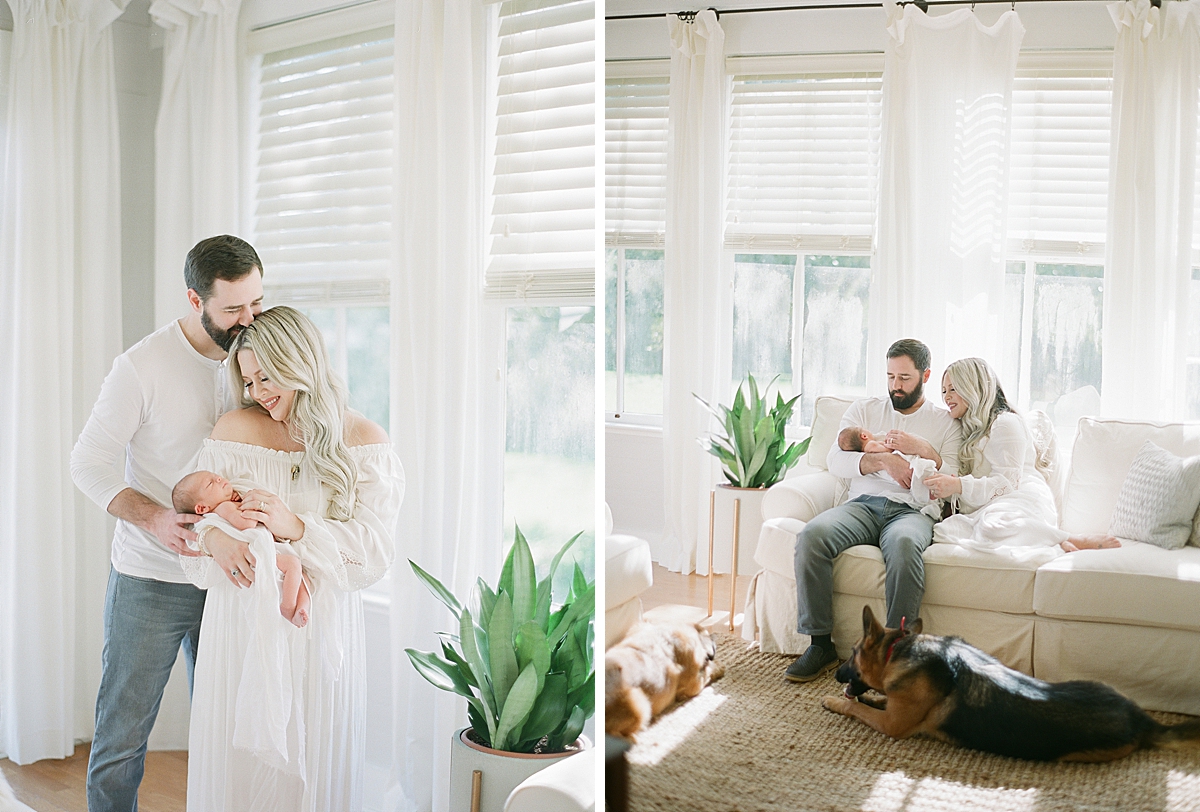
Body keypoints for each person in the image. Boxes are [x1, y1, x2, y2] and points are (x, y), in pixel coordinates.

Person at [181, 305, 403, 811]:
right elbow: (199, 518)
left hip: (318, 627)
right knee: (241, 774)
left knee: (313, 768)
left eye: (267, 376)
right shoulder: (233, 429)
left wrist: (295, 527)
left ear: (301, 363)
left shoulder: (364, 442)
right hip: (240, 624)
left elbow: (373, 553)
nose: (258, 392)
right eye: (249, 380)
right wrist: (215, 539)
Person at [70, 235, 264, 812]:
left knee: (234, 736)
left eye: (256, 301)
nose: (249, 319)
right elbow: (88, 462)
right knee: (122, 736)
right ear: (193, 299)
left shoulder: (263, 354)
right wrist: (155, 517)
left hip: (236, 577)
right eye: (233, 309)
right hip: (151, 578)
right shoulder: (142, 367)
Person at [785, 338, 962, 683]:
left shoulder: (944, 423)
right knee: (812, 536)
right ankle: (819, 643)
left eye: (905, 378)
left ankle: (898, 654)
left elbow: (953, 473)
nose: (896, 386)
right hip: (862, 506)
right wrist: (883, 460)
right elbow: (835, 459)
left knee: (905, 547)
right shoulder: (863, 411)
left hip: (912, 511)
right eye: (890, 376)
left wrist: (924, 449)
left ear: (925, 375)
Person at [925, 357, 1120, 554]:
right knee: (943, 531)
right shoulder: (968, 431)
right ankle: (1051, 542)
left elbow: (1007, 484)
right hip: (994, 505)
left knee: (993, 527)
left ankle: (1068, 538)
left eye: (953, 389)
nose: (946, 397)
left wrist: (958, 485)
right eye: (943, 391)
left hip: (1023, 498)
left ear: (973, 387)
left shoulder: (1005, 423)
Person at [172, 470, 311, 627]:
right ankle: (288, 606)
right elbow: (246, 524)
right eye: (211, 483)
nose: (218, 478)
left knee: (303, 578)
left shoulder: (227, 504)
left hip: (260, 551)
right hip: (253, 555)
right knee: (293, 564)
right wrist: (250, 506)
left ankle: (301, 609)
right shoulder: (224, 507)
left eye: (215, 476)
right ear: (202, 508)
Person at [837, 426, 937, 506]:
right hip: (888, 473)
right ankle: (926, 493)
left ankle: (926, 492)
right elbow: (885, 451)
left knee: (917, 476)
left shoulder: (870, 445)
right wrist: (890, 447)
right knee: (915, 474)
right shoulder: (871, 445)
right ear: (864, 436)